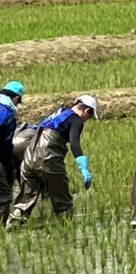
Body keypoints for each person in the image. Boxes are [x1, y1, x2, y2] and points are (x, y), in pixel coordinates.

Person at [6, 95, 97, 226]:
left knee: (25, 199)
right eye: (90, 117)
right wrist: (83, 167)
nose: (87, 120)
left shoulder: (58, 112)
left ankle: (12, 226)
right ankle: (67, 230)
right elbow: (74, 143)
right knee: (62, 197)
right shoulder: (76, 120)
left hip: (29, 157)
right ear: (87, 111)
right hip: (48, 158)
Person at [0, 81, 23, 216]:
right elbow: (5, 146)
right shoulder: (7, 114)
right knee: (3, 195)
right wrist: (9, 168)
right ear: (15, 98)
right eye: (18, 101)